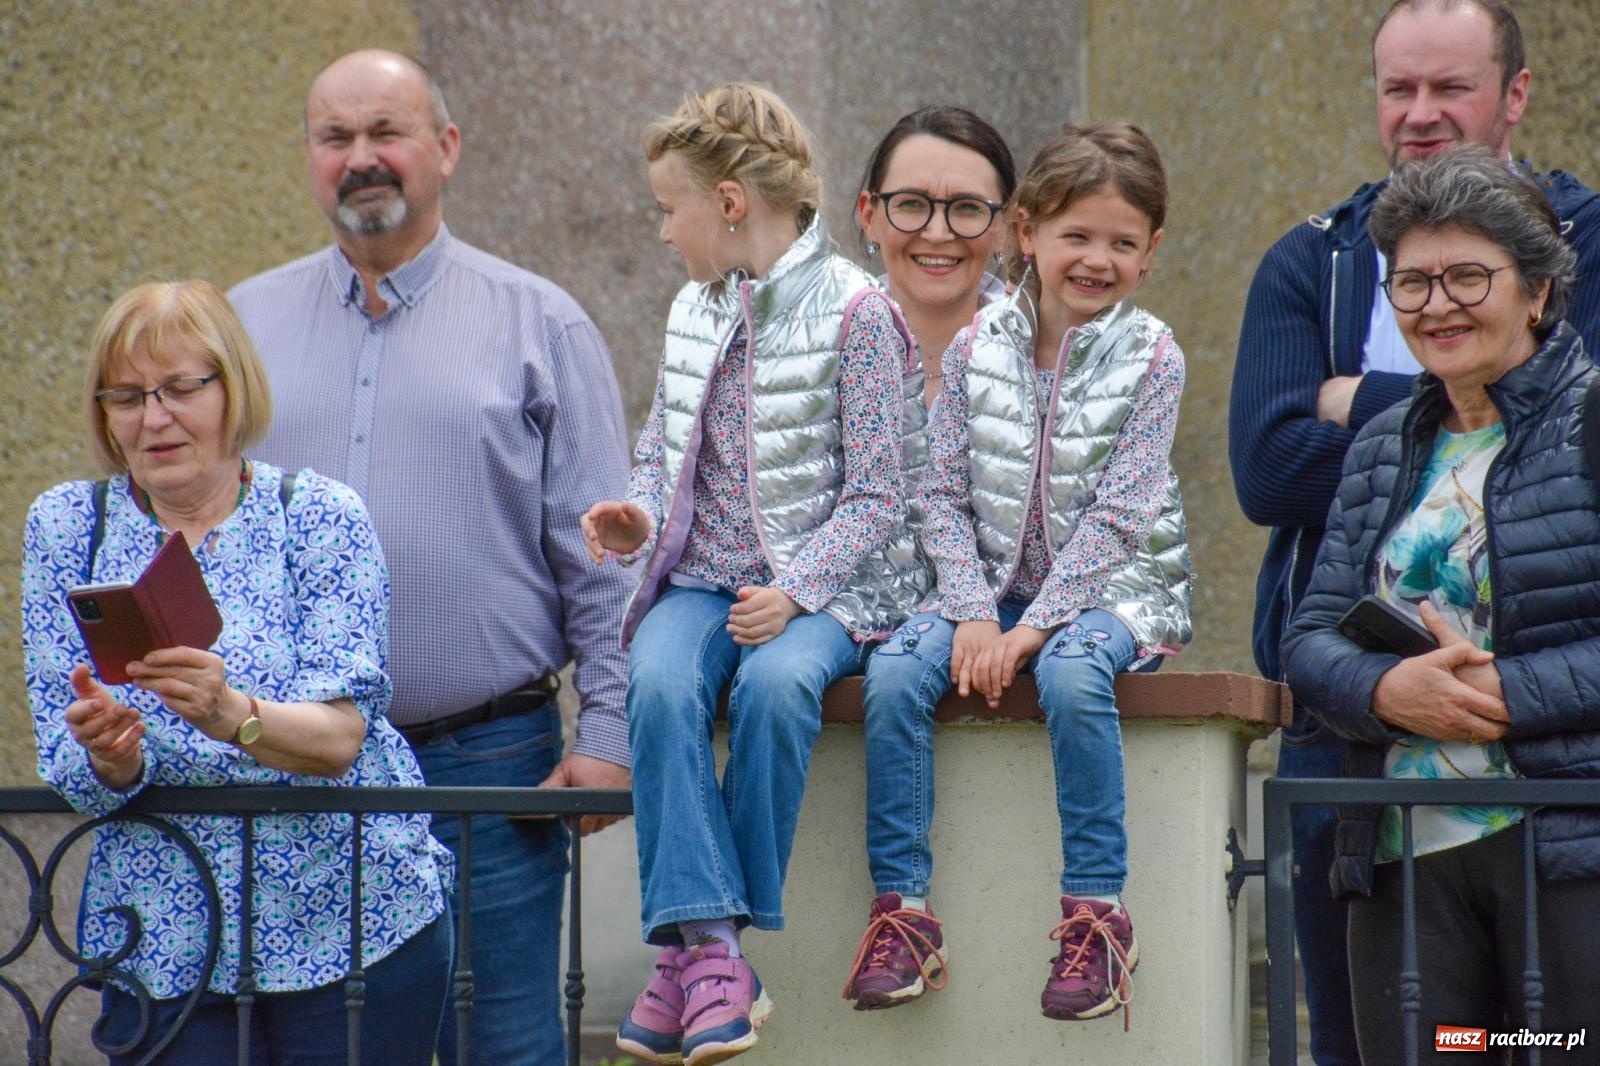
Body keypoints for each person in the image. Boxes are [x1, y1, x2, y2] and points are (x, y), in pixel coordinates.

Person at [228, 50, 633, 1066]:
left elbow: (603, 557)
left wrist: (612, 729)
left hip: (485, 762)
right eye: (336, 138)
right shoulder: (239, 327)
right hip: (284, 767)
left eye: (387, 132)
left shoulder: (540, 323)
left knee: (504, 1043)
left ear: (445, 149)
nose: (362, 158)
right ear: (311, 159)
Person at [1227, 3, 1600, 1059]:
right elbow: (1309, 636)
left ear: (1538, 291)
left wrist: (1506, 695)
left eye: (1469, 278)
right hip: (1399, 850)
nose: (1439, 306)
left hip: (1566, 852)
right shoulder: (1388, 449)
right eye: (1415, 284)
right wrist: (1389, 691)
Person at [22, 280, 453, 1064]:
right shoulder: (67, 527)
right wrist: (111, 755)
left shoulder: (318, 515)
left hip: (349, 924)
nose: (154, 417)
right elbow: (67, 757)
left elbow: (341, 738)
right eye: (126, 396)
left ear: (233, 388)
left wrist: (232, 714)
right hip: (163, 940)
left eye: (181, 388)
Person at [583, 83, 923, 1066]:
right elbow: (658, 448)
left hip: (826, 588)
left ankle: (691, 954)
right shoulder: (691, 309)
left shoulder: (858, 311)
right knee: (655, 680)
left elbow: (880, 494)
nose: (660, 232)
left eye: (667, 207)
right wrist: (635, 511)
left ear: (729, 203)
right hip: (701, 579)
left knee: (777, 686)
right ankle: (714, 948)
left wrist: (800, 587)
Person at [844, 123, 1192, 1023]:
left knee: (1075, 674)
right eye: (1077, 236)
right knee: (892, 671)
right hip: (987, 592)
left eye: (1123, 243)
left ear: (1150, 252)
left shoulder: (1155, 357)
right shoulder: (974, 347)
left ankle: (1097, 918)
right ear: (1027, 232)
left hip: (1118, 591)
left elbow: (1120, 518)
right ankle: (904, 915)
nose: (1097, 259)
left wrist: (1032, 629)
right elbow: (939, 496)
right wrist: (971, 612)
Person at [856, 106, 1017, 407]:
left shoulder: (1044, 362)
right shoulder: (817, 359)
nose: (938, 233)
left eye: (968, 207)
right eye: (912, 204)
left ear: (1005, 227)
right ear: (869, 217)